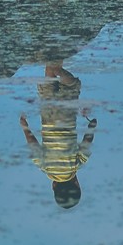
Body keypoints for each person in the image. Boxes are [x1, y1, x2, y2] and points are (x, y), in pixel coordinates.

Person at [20, 62, 96, 209]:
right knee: (49, 81)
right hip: (47, 114)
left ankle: (58, 69)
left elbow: (87, 142)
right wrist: (24, 126)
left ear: (77, 183)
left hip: (66, 115)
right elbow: (33, 146)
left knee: (72, 86)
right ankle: (52, 66)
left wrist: (92, 126)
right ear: (53, 186)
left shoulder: (75, 166)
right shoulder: (46, 168)